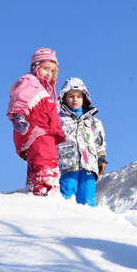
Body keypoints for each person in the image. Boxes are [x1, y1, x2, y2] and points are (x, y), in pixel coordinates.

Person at [7, 47, 66, 196]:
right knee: (45, 160)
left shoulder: (48, 91)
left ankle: (33, 188)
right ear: (36, 67)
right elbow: (20, 98)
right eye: (46, 68)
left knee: (38, 160)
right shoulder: (30, 82)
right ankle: (46, 190)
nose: (49, 73)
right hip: (37, 131)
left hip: (47, 133)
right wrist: (19, 116)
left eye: (53, 71)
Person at [56, 77, 107, 207]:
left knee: (87, 198)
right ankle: (62, 220)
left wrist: (101, 157)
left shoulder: (93, 122)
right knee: (66, 195)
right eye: (71, 96)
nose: (75, 99)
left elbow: (99, 141)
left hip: (89, 164)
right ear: (64, 98)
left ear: (84, 98)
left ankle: (88, 223)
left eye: (79, 96)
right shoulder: (59, 120)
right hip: (67, 164)